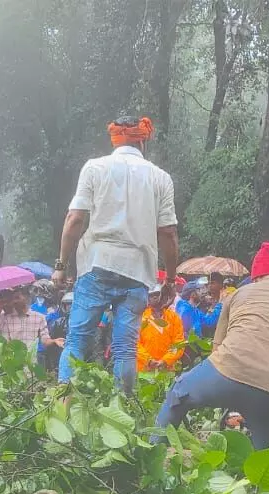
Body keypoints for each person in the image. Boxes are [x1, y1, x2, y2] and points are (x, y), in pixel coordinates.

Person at [52, 115, 179, 393]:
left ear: (114, 139)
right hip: (137, 272)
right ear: (143, 140)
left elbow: (75, 219)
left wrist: (61, 265)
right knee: (125, 349)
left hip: (97, 264)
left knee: (77, 340)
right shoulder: (161, 178)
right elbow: (168, 233)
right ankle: (124, 408)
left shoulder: (94, 168)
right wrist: (170, 279)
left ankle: (62, 403)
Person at [156, 243, 269, 449]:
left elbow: (217, 351)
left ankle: (152, 452)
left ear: (258, 273)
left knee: (178, 392)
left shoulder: (237, 295)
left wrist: (231, 395)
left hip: (226, 372)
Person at [0, 286, 54, 358]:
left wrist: (54, 341)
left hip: (31, 360)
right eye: (13, 299)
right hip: (10, 361)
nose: (15, 301)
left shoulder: (39, 317)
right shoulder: (1, 319)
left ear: (25, 298)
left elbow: (45, 339)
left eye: (17, 298)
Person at [137, 283, 185, 372]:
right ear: (147, 298)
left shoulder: (174, 317)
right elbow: (135, 343)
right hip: (145, 370)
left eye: (157, 294)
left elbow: (179, 343)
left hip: (167, 369)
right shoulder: (141, 318)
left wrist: (166, 360)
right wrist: (149, 360)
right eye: (151, 295)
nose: (155, 297)